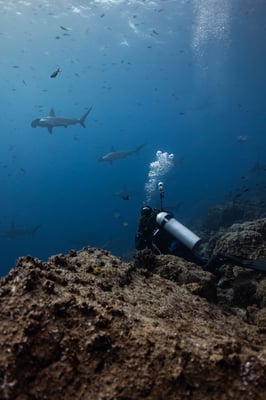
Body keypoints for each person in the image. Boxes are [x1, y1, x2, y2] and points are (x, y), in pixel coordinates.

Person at [135, 205, 266, 273]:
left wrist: (140, 233)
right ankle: (215, 265)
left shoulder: (144, 228)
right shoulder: (159, 216)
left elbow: (139, 246)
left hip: (175, 251)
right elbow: (172, 217)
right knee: (200, 263)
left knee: (202, 268)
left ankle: (220, 258)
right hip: (181, 245)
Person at [135, 205, 206, 266]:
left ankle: (205, 266)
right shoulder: (146, 226)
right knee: (191, 257)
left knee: (184, 257)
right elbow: (139, 246)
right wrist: (141, 231)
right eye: (145, 217)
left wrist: (140, 230)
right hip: (176, 244)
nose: (147, 219)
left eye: (147, 216)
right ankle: (204, 264)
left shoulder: (157, 219)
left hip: (174, 246)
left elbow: (138, 246)